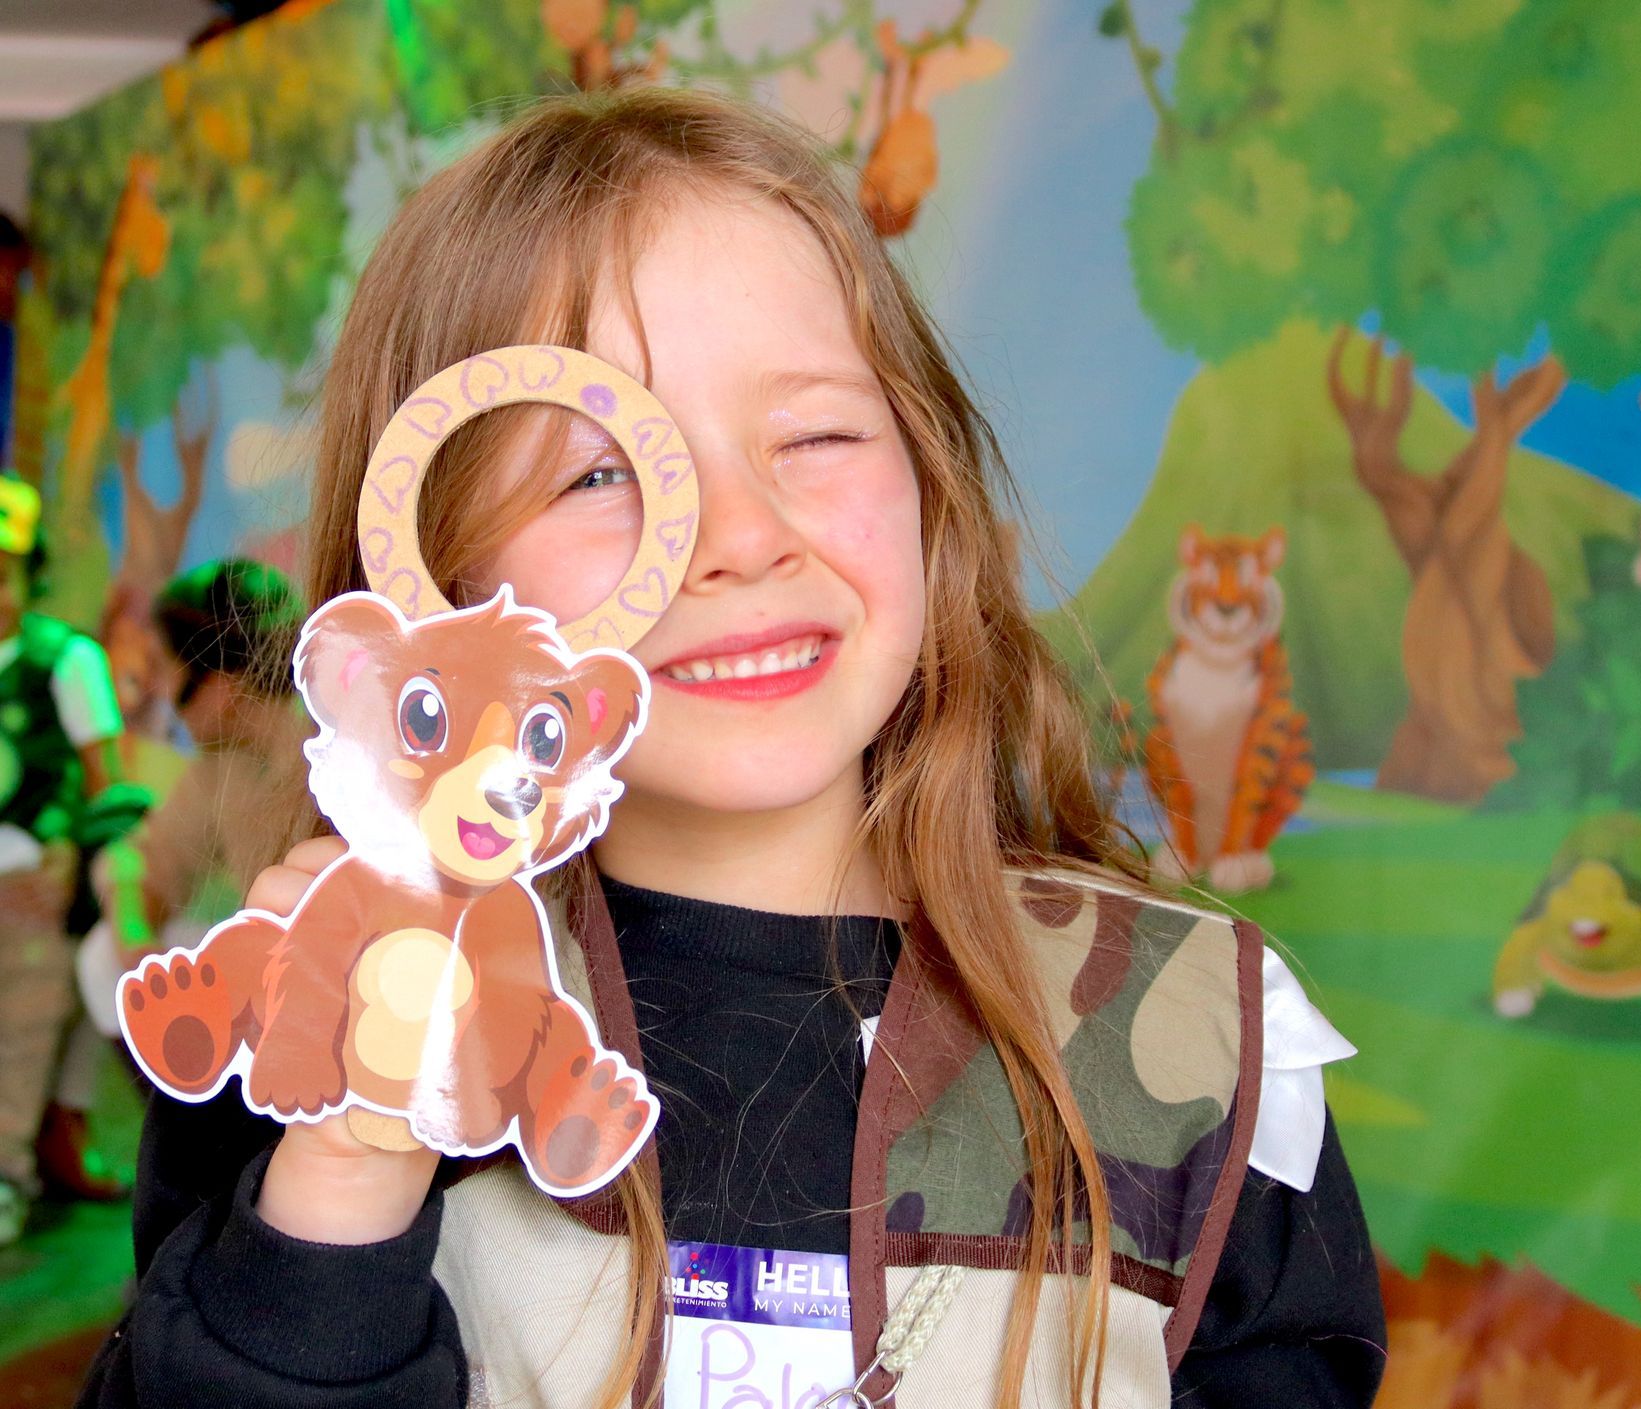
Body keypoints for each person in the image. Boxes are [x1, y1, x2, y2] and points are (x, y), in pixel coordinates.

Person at [79, 88, 1386, 1408]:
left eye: (817, 435)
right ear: (435, 578)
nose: (738, 534)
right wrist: (351, 1169)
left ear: (927, 481)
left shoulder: (1201, 1049)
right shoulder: (303, 1033)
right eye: (598, 472)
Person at [0, 475, 148, 1243]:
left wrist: (73, 864)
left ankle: (9, 1168)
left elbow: (109, 790)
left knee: (26, 1011)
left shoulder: (66, 661)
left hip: (34, 879)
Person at [77, 559, 306, 1028]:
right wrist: (138, 939)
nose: (159, 692)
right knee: (104, 957)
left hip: (352, 992)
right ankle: (186, 1102)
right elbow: (142, 856)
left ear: (219, 681)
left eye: (166, 669)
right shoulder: (221, 766)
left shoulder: (331, 747)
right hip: (274, 985)